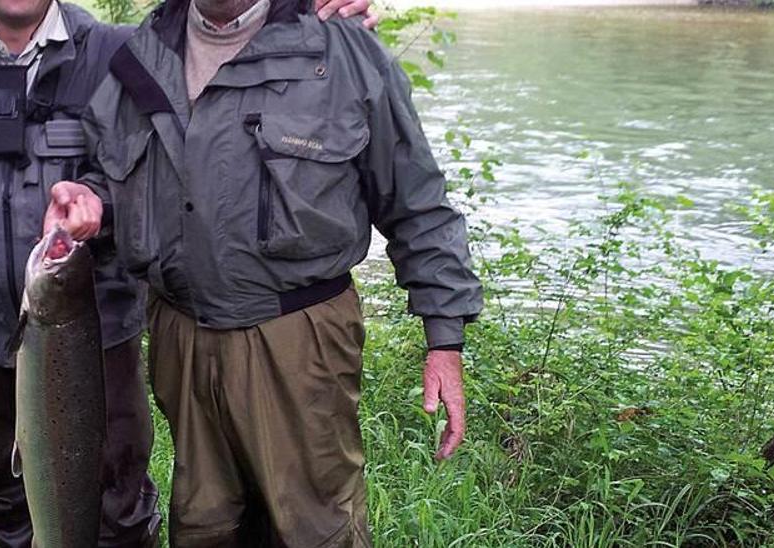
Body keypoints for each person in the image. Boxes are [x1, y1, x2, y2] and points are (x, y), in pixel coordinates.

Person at [0, 0, 376, 546]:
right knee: (4, 492)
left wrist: (303, 12)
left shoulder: (118, 52)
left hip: (96, 325)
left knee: (115, 493)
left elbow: (222, 56)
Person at [44, 0, 485, 545]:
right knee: (205, 524)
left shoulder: (340, 49)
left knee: (315, 528)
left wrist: (444, 338)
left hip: (298, 337)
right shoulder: (144, 52)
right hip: (181, 337)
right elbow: (114, 178)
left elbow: (417, 203)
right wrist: (89, 200)